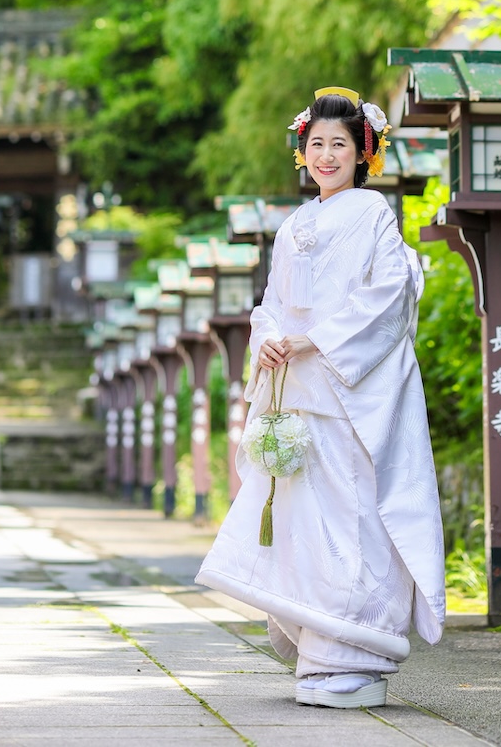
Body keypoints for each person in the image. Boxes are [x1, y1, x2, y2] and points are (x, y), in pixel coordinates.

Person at [196, 87, 445, 710]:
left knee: (355, 513)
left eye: (340, 145)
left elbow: (390, 292)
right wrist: (273, 339)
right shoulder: (294, 224)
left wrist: (317, 340)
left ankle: (357, 653)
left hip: (351, 390)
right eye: (316, 146)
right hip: (301, 388)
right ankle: (318, 651)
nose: (326, 156)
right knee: (305, 517)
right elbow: (272, 303)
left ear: (364, 154)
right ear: (301, 153)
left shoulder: (372, 214)